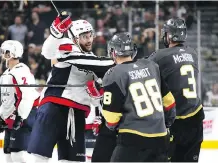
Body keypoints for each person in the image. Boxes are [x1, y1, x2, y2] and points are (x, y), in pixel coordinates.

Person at [27, 11, 114, 162]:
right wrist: (57, 31)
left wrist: (96, 92)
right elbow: (47, 52)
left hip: (77, 115)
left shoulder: (94, 61)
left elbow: (95, 101)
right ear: (75, 38)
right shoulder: (67, 48)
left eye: (90, 36)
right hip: (53, 109)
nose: (88, 40)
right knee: (39, 158)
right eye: (84, 37)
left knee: (73, 161)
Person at [93, 32, 176, 162]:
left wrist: (113, 128)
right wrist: (166, 123)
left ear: (113, 52)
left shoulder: (114, 73)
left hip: (133, 139)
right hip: (161, 138)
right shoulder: (151, 66)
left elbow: (111, 117)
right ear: (133, 50)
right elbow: (169, 101)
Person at [149, 17, 204, 162]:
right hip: (196, 116)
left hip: (175, 119)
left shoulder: (159, 56)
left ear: (169, 35)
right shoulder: (193, 53)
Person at [0, 40, 39, 162]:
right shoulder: (5, 74)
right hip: (13, 118)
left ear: (11, 53)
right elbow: (8, 102)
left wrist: (20, 117)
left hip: (24, 116)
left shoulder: (22, 71)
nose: (1, 54)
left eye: (4, 52)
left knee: (18, 156)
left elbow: (27, 96)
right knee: (8, 156)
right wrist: (1, 120)